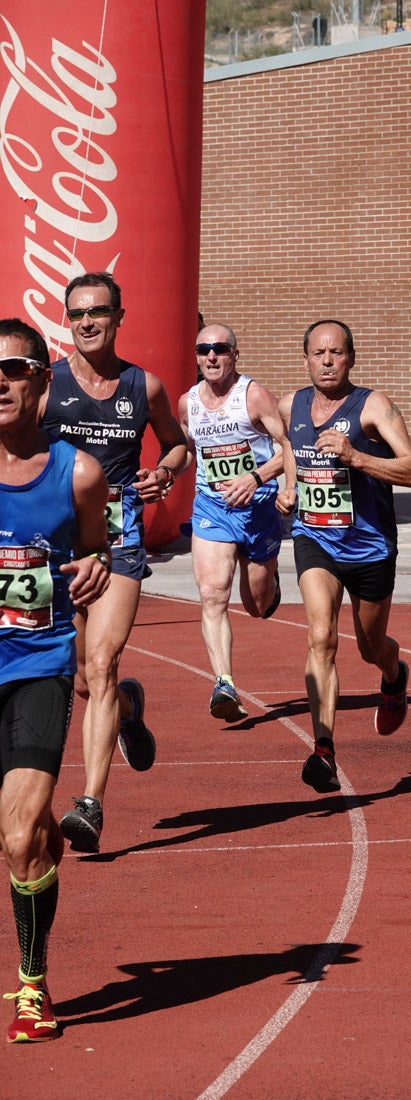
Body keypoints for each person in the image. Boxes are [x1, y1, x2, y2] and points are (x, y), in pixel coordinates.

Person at [39, 272, 188, 853]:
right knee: (81, 678)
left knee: (100, 662)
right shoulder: (46, 387)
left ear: (119, 317)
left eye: (98, 312)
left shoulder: (142, 387)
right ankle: (129, 706)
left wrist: (166, 470)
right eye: (76, 313)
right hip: (55, 543)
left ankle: (90, 804)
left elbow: (177, 443)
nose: (86, 322)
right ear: (67, 319)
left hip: (120, 539)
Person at [0, 318, 111, 1042]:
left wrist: (95, 564)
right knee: (31, 835)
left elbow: (99, 549)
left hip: (40, 664)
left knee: (15, 838)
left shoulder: (78, 471)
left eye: (11, 371)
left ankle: (31, 986)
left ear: (42, 378)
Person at [276, 320, 411, 794]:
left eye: (335, 353)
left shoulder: (373, 406)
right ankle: (323, 750)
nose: (326, 361)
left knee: (369, 645)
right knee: (321, 636)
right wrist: (283, 483)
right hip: (315, 537)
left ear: (351, 358)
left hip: (370, 545)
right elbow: (289, 448)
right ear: (305, 359)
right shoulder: (291, 404)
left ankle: (393, 673)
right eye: (318, 353)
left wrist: (357, 457)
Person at [178, 323, 285, 720]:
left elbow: (287, 446)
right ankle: (224, 682)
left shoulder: (253, 395)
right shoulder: (187, 403)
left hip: (257, 508)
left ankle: (268, 579)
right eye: (203, 349)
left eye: (220, 349)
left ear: (234, 354)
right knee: (212, 594)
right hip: (212, 507)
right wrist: (168, 473)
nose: (211, 357)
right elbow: (190, 452)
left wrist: (256, 478)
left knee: (255, 606)